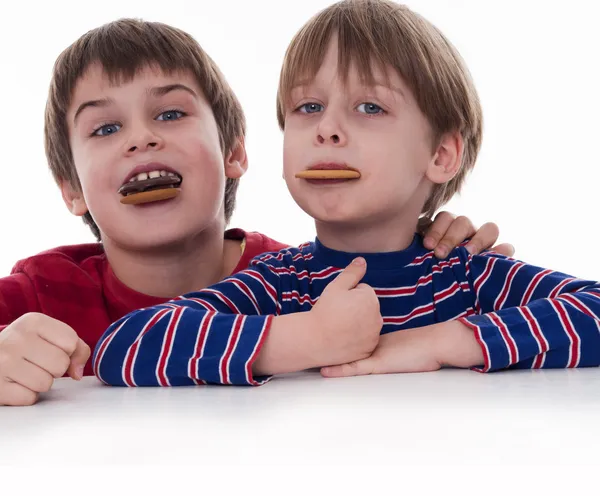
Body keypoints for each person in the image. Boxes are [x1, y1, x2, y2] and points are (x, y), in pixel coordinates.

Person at [0, 17, 502, 406]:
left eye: (171, 114)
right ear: (71, 189)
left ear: (234, 153)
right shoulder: (39, 292)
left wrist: (428, 253)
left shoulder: (300, 281)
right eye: (105, 129)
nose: (141, 138)